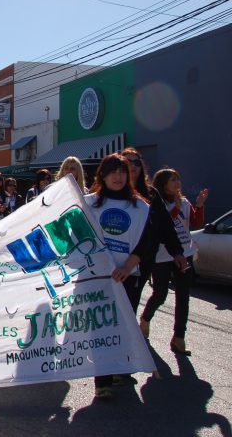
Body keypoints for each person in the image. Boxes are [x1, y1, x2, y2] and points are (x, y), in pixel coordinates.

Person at [83, 153, 154, 400]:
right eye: (112, 171)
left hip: (126, 277)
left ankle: (117, 368)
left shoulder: (140, 207)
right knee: (100, 327)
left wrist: (127, 267)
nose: (118, 176)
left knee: (123, 324)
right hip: (97, 278)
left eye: (122, 171)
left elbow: (147, 243)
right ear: (102, 175)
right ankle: (102, 381)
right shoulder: (88, 204)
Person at [139, 168, 208, 356]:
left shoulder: (184, 202)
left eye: (178, 178)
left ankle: (179, 338)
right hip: (162, 255)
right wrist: (176, 207)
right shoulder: (156, 203)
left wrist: (199, 206)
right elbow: (164, 226)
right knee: (160, 294)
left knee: (183, 296)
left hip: (184, 253)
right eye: (172, 180)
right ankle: (145, 318)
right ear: (163, 184)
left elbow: (195, 223)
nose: (177, 183)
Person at [121, 147, 187, 305]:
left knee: (131, 304)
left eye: (137, 162)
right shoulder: (108, 194)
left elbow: (166, 226)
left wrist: (177, 252)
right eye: (127, 162)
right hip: (115, 261)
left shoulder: (151, 194)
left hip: (143, 262)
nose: (133, 165)